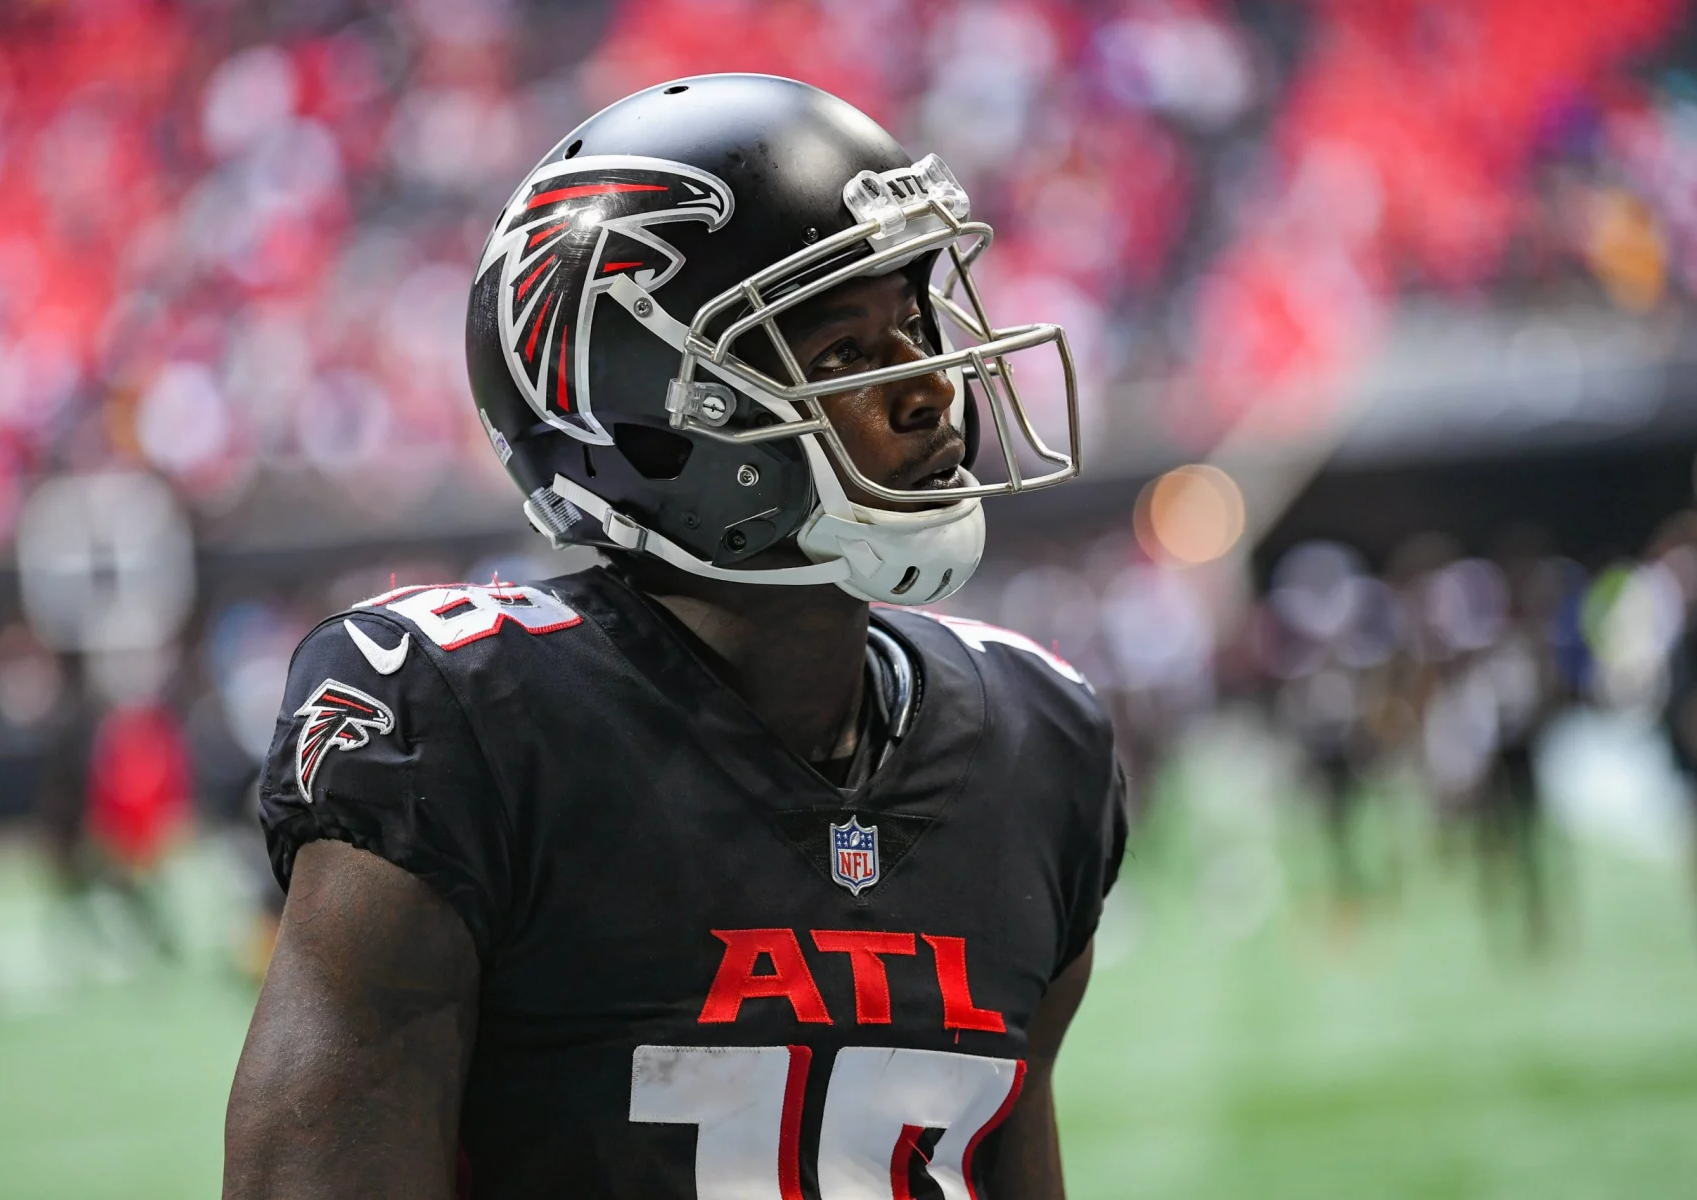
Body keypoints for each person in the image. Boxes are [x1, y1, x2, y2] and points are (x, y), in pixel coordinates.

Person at [224, 74, 1127, 1199]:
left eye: (912, 325)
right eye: (841, 352)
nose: (930, 390)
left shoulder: (1037, 739)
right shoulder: (469, 721)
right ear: (656, 424)